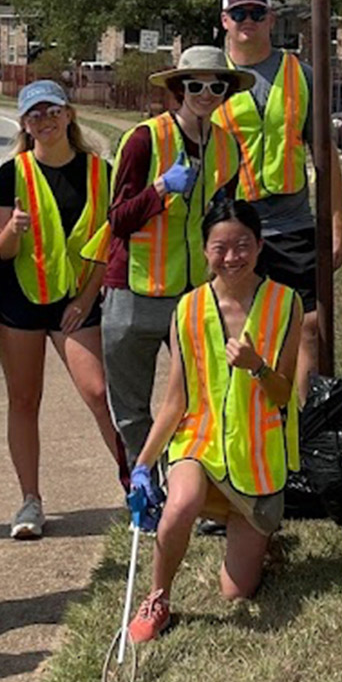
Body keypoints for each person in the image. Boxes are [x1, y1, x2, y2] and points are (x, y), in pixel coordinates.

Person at [124, 197, 303, 643]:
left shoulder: (286, 304)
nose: (231, 258)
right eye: (220, 248)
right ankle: (158, 599)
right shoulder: (186, 309)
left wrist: (258, 366)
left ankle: (261, 542)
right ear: (204, 250)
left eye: (242, 245)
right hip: (198, 444)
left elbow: (285, 396)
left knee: (236, 593)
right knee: (180, 503)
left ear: (260, 246)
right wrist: (143, 466)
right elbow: (174, 400)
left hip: (255, 461)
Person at [100, 46, 247, 467]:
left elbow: (226, 220)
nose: (205, 93)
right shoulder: (145, 139)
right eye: (195, 85)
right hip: (135, 289)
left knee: (202, 398)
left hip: (196, 294)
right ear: (179, 88)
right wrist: (162, 189)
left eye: (216, 86)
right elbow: (119, 220)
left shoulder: (227, 148)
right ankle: (147, 488)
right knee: (130, 409)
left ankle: (196, 484)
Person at [0, 80, 122, 540]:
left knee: (100, 393)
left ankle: (136, 486)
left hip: (75, 301)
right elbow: (1, 251)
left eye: (51, 112)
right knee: (24, 401)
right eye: (34, 115)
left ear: (68, 115)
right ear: (24, 124)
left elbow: (108, 243)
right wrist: (14, 232)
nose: (44, 122)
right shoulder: (10, 174)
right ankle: (30, 501)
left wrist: (86, 299)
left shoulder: (100, 172)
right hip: (17, 300)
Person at [213, 0, 342, 383]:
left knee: (306, 327)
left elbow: (324, 155)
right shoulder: (211, 76)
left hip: (292, 224)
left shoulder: (299, 74)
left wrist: (337, 224)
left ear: (271, 19)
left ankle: (302, 435)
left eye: (256, 13)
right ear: (225, 20)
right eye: (239, 14)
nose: (247, 20)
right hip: (233, 223)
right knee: (236, 330)